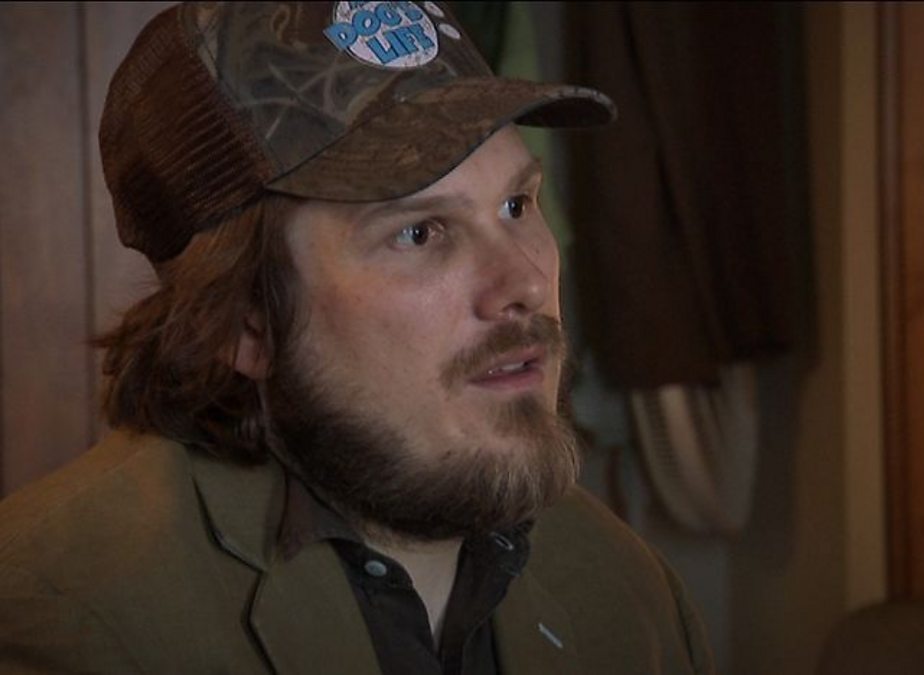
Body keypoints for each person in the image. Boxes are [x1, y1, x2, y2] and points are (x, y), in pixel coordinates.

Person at [0, 2, 715, 673]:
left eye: (515, 204)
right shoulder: (64, 622)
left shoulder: (633, 593)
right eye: (419, 232)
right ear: (245, 322)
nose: (525, 282)